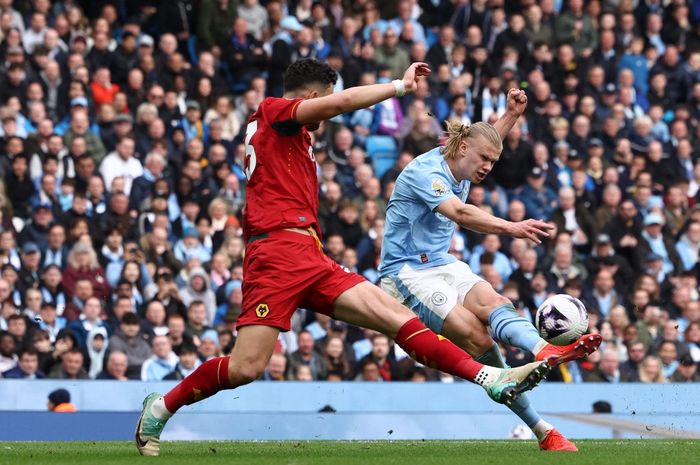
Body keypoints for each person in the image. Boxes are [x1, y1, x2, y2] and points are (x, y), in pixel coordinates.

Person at [135, 59, 551, 456]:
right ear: (312, 95)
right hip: (274, 254)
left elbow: (471, 150)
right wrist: (398, 87)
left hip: (310, 252)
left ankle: (489, 377)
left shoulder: (296, 139)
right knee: (245, 368)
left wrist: (508, 119)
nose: (326, 113)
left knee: (394, 315)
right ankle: (162, 406)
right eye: (324, 100)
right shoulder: (272, 112)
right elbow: (341, 103)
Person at [378, 88, 602, 451]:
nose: (487, 167)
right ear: (463, 149)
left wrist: (512, 115)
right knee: (478, 339)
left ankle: (543, 350)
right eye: (485, 160)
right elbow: (461, 214)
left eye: (493, 163)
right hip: (405, 274)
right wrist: (513, 227)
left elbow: (487, 140)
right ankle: (541, 428)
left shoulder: (466, 158)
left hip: (441, 262)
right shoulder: (426, 172)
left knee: (494, 301)